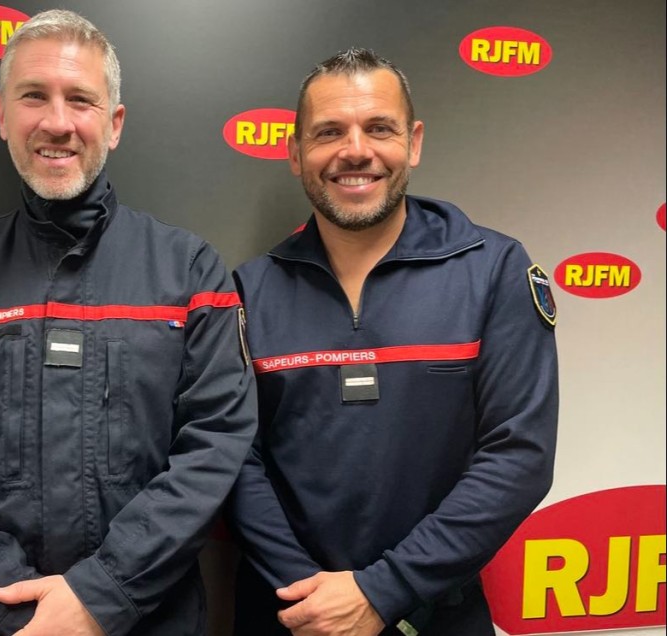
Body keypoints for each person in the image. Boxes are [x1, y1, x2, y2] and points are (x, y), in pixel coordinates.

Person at [0, 9, 256, 636]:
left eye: (80, 99)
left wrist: (101, 596)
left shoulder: (190, 273)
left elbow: (215, 444)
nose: (57, 122)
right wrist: (19, 610)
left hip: (146, 619)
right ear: (2, 115)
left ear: (115, 123)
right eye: (33, 96)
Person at [228, 48, 559, 636]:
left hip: (438, 616)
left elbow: (519, 456)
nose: (356, 150)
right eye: (329, 131)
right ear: (295, 153)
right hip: (291, 615)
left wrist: (383, 592)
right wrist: (313, 601)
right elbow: (232, 458)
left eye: (379, 128)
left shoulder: (493, 270)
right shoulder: (249, 291)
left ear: (414, 142)